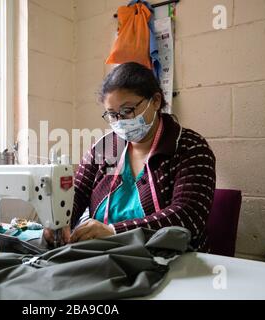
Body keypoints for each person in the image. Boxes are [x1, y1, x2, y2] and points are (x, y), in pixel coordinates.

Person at [45, 62, 216, 251]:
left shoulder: (190, 148)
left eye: (127, 111)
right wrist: (59, 222)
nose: (120, 121)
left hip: (171, 259)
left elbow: (188, 217)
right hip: (104, 256)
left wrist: (114, 232)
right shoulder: (105, 148)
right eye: (112, 114)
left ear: (156, 101)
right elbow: (75, 195)